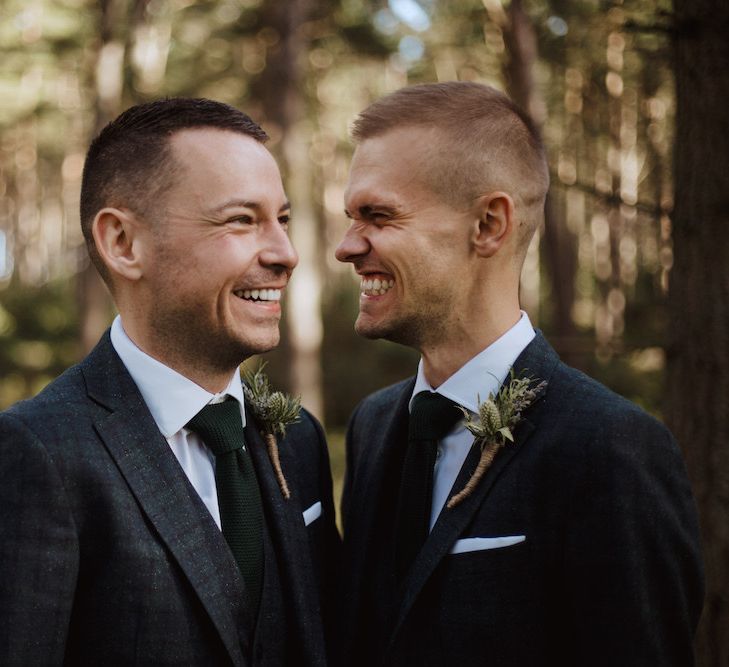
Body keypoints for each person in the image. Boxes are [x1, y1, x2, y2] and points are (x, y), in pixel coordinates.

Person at [335, 82, 703, 666]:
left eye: (378, 215)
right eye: (352, 216)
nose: (346, 246)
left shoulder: (610, 448)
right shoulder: (374, 425)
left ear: (488, 224)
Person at [0, 98, 340, 666]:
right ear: (123, 243)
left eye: (281, 219)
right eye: (241, 220)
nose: (286, 253)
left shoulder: (297, 438)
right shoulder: (38, 454)